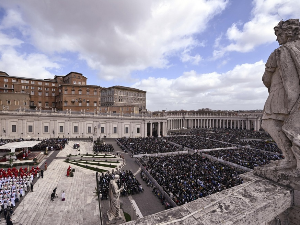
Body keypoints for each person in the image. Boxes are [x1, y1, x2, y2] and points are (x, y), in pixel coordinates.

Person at [261, 19, 300, 170]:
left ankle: (289, 158)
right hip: (293, 97)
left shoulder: (281, 51)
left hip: (282, 96)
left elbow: (267, 79)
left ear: (288, 33)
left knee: (268, 122)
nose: (277, 38)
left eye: (279, 34)